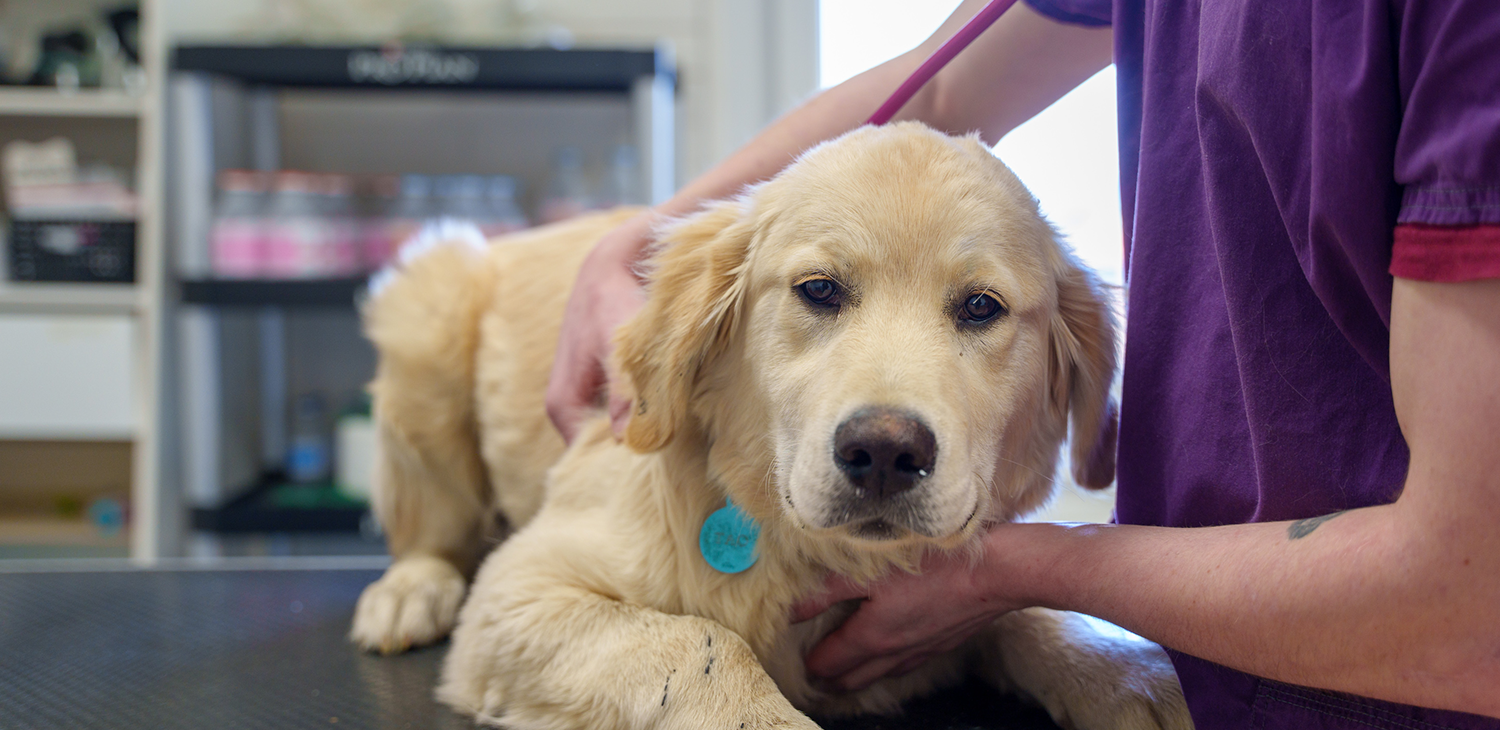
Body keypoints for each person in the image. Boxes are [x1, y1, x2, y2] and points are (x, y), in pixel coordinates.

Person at [545, 0, 1500, 726]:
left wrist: (1022, 576)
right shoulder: (714, 305)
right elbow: (941, 90)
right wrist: (636, 242)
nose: (885, 424)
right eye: (822, 291)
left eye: (980, 309)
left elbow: (1471, 610)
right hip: (1203, 651)